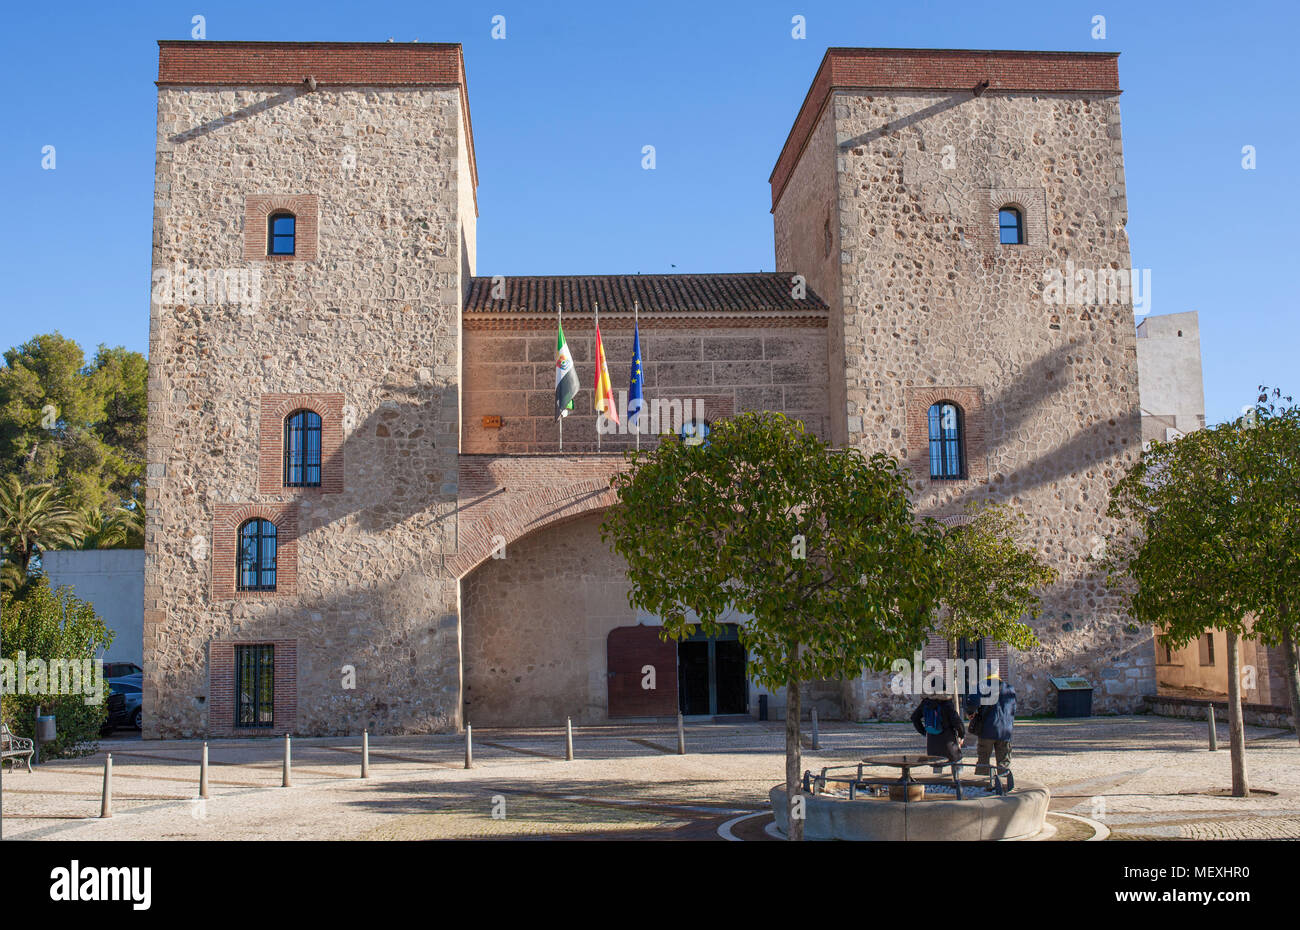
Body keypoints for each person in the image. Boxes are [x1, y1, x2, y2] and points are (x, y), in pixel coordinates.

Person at [965, 673, 1016, 776]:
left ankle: (981, 785)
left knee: (983, 760)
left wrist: (970, 713)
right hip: (1005, 731)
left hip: (986, 729)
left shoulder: (982, 686)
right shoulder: (1010, 688)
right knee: (1003, 762)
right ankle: (1004, 784)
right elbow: (1013, 709)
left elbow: (972, 702)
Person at [910, 691, 965, 772]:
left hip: (932, 740)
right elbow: (957, 722)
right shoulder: (946, 703)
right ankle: (957, 780)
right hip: (948, 740)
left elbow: (914, 718)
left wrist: (924, 732)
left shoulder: (926, 703)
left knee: (936, 763)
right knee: (957, 760)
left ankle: (937, 782)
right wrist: (961, 734)